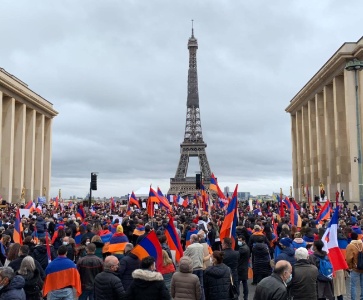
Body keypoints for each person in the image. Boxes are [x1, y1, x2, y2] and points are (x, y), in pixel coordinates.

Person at [184, 234, 205, 300]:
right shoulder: (201, 246)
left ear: (192, 239)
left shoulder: (190, 247)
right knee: (201, 286)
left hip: (193, 268)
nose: (189, 240)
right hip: (200, 267)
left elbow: (184, 257)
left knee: (192, 286)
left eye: (190, 238)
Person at [346, 231, 363, 300]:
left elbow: (349, 258)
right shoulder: (362, 244)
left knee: (353, 285)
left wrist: (350, 267)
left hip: (355, 268)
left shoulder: (350, 246)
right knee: (362, 285)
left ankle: (353, 298)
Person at [237, 235, 250, 300]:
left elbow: (237, 256)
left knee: (238, 283)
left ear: (243, 240)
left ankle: (237, 296)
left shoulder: (242, 249)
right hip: (244, 267)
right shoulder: (246, 247)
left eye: (240, 240)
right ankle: (246, 297)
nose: (238, 241)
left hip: (240, 268)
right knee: (245, 283)